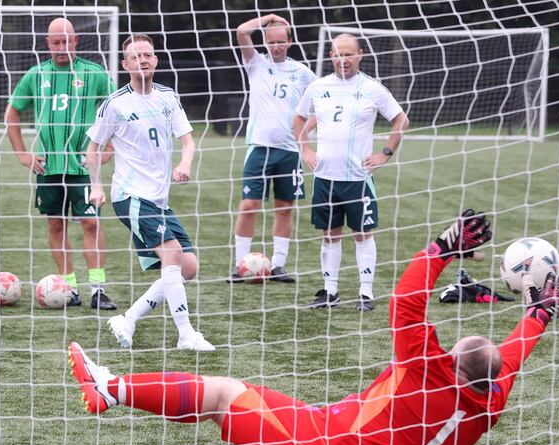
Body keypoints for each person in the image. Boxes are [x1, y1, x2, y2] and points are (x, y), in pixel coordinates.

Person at [68, 210, 559, 445]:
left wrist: (441, 249)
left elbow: (405, 304)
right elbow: (509, 360)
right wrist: (538, 312)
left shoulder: (427, 367)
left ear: (451, 358)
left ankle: (108, 389)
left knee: (223, 393)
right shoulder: (489, 405)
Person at [85, 34, 214, 352]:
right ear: (125, 64)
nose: (142, 60)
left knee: (188, 267)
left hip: (158, 199)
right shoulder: (115, 104)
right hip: (130, 196)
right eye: (135, 56)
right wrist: (97, 186)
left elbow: (188, 140)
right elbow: (93, 149)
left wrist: (184, 163)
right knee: (172, 254)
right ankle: (186, 333)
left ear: (155, 59)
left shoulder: (168, 98)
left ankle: (127, 319)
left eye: (148, 54)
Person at [5, 18, 116, 310]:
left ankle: (98, 289)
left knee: (91, 222)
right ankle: (70, 288)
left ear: (76, 41)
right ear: (48, 44)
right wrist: (22, 154)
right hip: (48, 167)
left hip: (83, 166)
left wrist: (110, 148)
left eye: (66, 41)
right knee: (56, 223)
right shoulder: (35, 75)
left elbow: (116, 111)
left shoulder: (95, 74)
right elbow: (12, 114)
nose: (61, 47)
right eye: (56, 42)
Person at [293, 33, 409, 311]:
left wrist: (385, 153)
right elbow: (298, 119)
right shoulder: (318, 87)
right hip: (325, 178)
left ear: (360, 55)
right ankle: (330, 292)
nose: (343, 59)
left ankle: (365, 294)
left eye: (348, 54)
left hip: (358, 179)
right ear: (331, 56)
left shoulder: (372, 88)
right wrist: (306, 150)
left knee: (362, 234)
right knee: (330, 235)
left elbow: (401, 119)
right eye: (337, 54)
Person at [228, 14, 316, 284]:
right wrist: (269, 18)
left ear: (290, 42)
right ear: (265, 41)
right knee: (249, 205)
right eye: (271, 41)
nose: (275, 46)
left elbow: (320, 104)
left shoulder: (302, 73)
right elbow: (242, 31)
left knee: (284, 208)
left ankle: (278, 265)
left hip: (289, 151)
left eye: (281, 41)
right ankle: (241, 264)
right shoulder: (256, 62)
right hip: (259, 148)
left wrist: (304, 134)